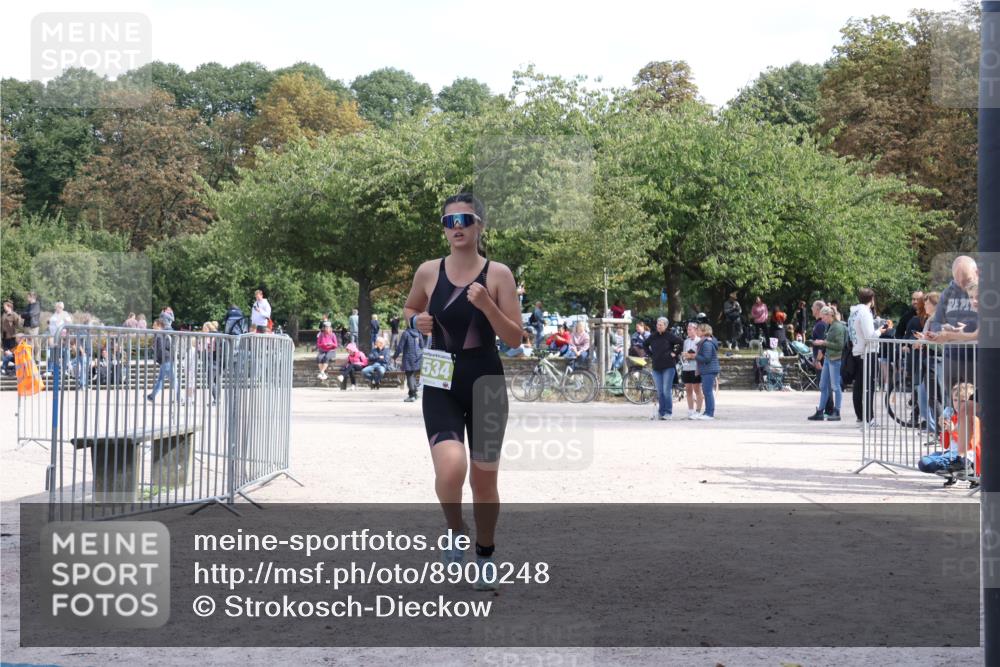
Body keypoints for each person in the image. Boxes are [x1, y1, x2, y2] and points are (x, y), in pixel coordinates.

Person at [402, 192, 521, 591]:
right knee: (451, 470)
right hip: (440, 378)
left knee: (484, 482)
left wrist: (488, 305)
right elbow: (410, 310)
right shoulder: (428, 271)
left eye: (464, 220)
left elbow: (515, 338)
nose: (456, 228)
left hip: (485, 378)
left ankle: (485, 553)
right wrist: (415, 321)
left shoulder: (499, 274)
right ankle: (455, 530)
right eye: (449, 222)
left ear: (479, 226)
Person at [848, 288, 888, 426]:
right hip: (867, 352)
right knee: (869, 386)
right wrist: (880, 331)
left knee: (859, 386)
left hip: (857, 351)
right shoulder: (865, 313)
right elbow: (870, 336)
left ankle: (860, 416)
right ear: (871, 300)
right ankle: (869, 418)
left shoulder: (853, 313)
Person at [808, 306, 846, 421]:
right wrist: (823, 343)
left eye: (823, 316)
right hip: (829, 359)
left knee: (835, 386)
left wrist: (823, 342)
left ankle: (837, 411)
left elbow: (840, 346)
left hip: (835, 360)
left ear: (830, 315)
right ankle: (820, 411)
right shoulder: (830, 326)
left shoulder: (837, 327)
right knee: (823, 385)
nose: (822, 318)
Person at [643, 316, 683, 420]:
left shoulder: (669, 336)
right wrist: (651, 355)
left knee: (666, 390)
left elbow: (680, 342)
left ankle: (668, 412)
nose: (658, 326)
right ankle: (661, 412)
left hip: (668, 366)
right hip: (656, 366)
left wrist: (675, 353)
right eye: (657, 324)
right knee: (660, 391)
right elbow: (645, 344)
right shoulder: (653, 336)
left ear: (665, 326)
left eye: (661, 325)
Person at [147, 318, 178, 403]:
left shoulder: (160, 335)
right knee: (161, 379)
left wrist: (159, 359)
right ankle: (152, 396)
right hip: (166, 359)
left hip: (165, 359)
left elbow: (161, 349)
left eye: (154, 324)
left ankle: (179, 398)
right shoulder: (161, 334)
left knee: (173, 379)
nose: (153, 326)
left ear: (159, 326)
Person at [394, 318, 425, 402]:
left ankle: (412, 395)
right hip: (417, 357)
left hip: (408, 357)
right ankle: (413, 394)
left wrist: (395, 356)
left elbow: (400, 347)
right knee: (413, 376)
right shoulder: (418, 333)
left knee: (409, 376)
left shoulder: (406, 333)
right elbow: (422, 345)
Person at [694, 323, 720, 420]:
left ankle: (709, 413)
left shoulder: (707, 343)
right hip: (707, 370)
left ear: (704, 332)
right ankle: (707, 412)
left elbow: (707, 358)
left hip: (709, 370)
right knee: (706, 391)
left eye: (699, 330)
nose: (697, 331)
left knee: (707, 391)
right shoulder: (704, 342)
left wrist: (694, 356)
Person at [681, 322, 704, 419]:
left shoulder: (700, 341)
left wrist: (691, 356)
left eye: (690, 329)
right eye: (688, 330)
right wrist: (685, 355)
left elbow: (701, 355)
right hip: (686, 367)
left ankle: (698, 410)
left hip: (696, 367)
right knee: (688, 389)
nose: (688, 331)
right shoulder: (686, 341)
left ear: (695, 330)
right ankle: (690, 410)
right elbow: (684, 353)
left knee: (697, 389)